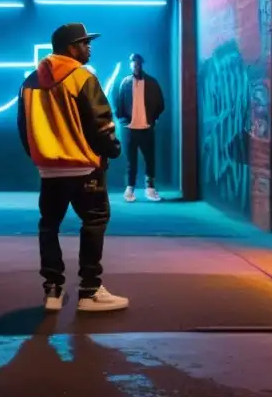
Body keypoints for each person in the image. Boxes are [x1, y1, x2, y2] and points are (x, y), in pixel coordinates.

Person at [17, 22, 128, 313]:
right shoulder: (82, 78)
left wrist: (40, 156)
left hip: (49, 171)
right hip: (83, 168)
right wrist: (112, 150)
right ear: (71, 48)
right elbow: (100, 123)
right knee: (94, 220)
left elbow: (23, 128)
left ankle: (52, 290)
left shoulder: (30, 82)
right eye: (84, 43)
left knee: (49, 224)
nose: (89, 47)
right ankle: (90, 291)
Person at [115, 53, 165, 202]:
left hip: (146, 128)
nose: (135, 66)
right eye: (132, 64)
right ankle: (130, 189)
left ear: (141, 65)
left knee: (150, 159)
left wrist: (151, 119)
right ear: (130, 65)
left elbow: (160, 104)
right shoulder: (125, 82)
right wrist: (124, 120)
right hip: (129, 129)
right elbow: (120, 105)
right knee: (131, 161)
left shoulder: (152, 83)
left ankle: (150, 189)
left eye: (137, 64)